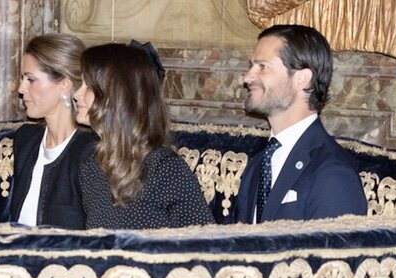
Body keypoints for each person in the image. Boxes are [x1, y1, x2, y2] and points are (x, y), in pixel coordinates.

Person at [233, 24, 366, 224]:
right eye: (251, 66)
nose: (247, 77)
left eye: (262, 67)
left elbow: (333, 255)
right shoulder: (258, 163)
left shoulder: (333, 174)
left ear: (302, 78)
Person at [73, 43, 214, 229]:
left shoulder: (165, 169)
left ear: (117, 96)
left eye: (88, 86)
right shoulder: (91, 167)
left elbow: (204, 243)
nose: (76, 94)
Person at [0, 34, 96, 229]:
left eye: (31, 80)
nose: (21, 88)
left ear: (65, 85)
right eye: (22, 79)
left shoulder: (90, 150)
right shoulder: (26, 139)